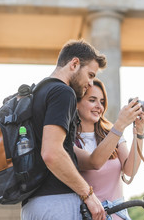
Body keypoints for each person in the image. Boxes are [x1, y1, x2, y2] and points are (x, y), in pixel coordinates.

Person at [21, 39, 107, 220]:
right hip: (58, 203)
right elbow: (52, 153)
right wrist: (88, 195)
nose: (91, 83)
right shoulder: (63, 92)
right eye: (90, 75)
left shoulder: (38, 91)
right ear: (74, 64)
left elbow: (57, 147)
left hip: (32, 206)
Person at [74, 78, 144, 220]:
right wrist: (120, 125)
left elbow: (129, 169)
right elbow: (94, 163)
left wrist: (139, 132)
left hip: (120, 215)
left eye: (102, 102)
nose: (99, 106)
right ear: (76, 103)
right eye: (92, 100)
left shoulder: (111, 133)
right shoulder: (71, 140)